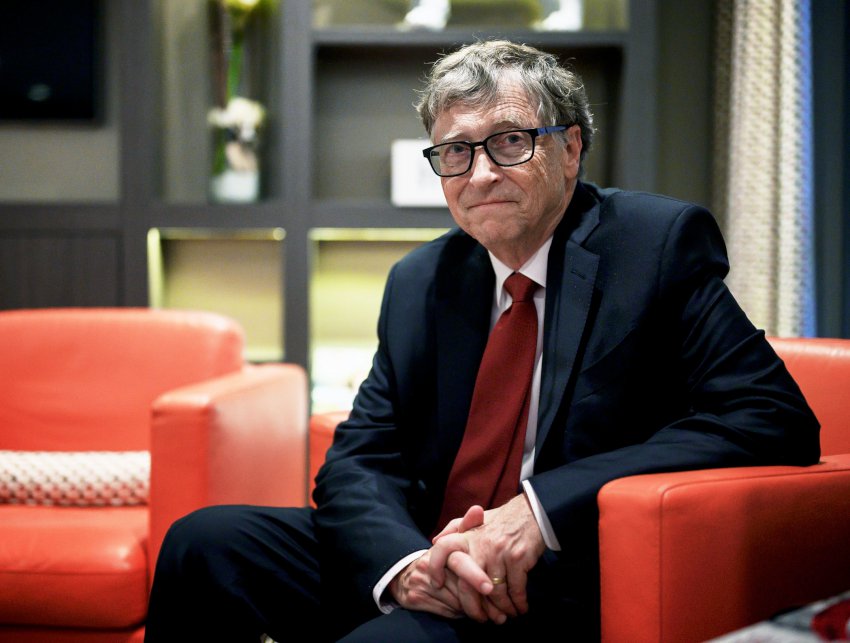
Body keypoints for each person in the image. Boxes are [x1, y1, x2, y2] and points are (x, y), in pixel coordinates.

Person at [145, 39, 820, 642]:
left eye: (510, 142)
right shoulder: (421, 281)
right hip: (431, 552)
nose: (480, 174)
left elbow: (771, 415)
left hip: (555, 572)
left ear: (570, 149)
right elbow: (358, 459)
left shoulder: (653, 246)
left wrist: (538, 510)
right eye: (456, 152)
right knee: (205, 543)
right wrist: (406, 567)